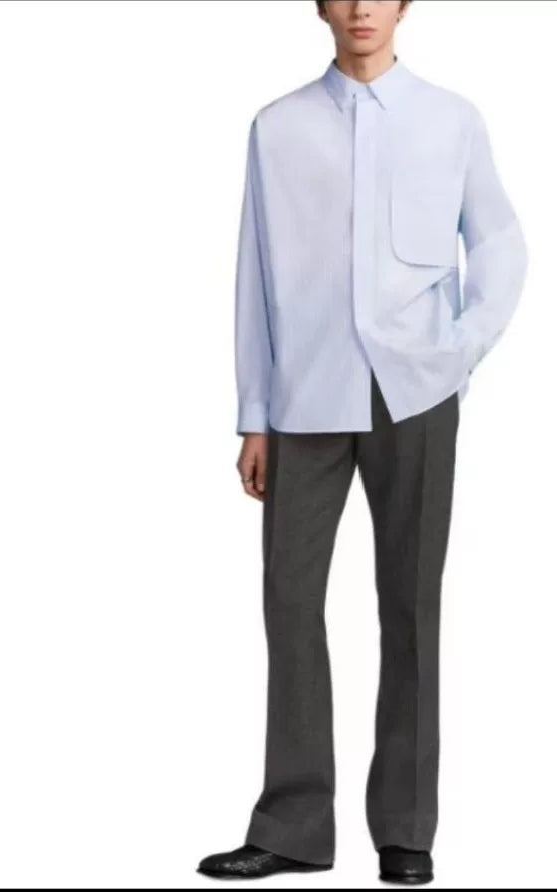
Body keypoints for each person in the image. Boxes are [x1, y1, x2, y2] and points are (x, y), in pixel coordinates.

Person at [197, 0, 528, 884]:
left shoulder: (451, 120)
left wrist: (457, 351)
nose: (360, 8)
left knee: (410, 605)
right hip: (303, 397)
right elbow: (253, 274)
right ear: (319, 6)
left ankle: (406, 832)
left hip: (415, 394)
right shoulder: (277, 128)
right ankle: (293, 828)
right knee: (289, 601)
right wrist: (253, 412)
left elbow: (498, 241)